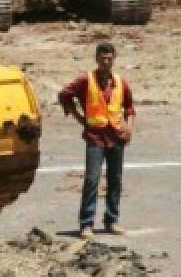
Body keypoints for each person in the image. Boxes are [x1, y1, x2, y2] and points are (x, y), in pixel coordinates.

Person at [58, 41, 134, 239]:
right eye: (103, 58)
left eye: (110, 58)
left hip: (116, 137)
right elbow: (65, 94)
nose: (106, 62)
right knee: (92, 180)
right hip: (95, 137)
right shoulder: (86, 80)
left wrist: (129, 128)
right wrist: (78, 117)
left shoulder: (121, 82)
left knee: (115, 180)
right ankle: (86, 223)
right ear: (97, 59)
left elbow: (130, 108)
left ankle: (112, 220)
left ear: (114, 59)